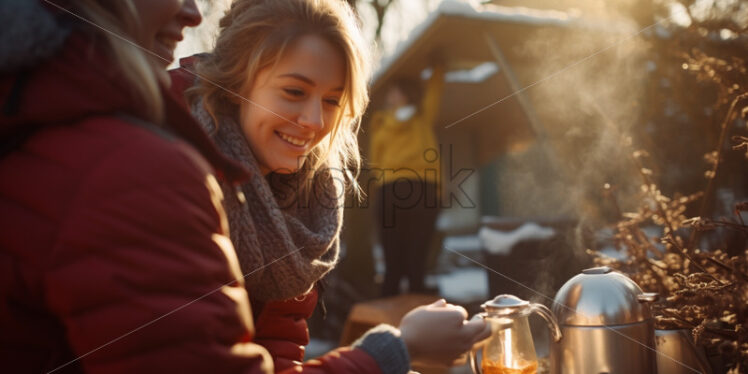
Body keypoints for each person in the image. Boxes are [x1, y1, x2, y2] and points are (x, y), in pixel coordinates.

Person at [170, 0, 490, 372]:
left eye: (333, 100)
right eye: (293, 91)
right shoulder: (176, 174)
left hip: (422, 187)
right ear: (234, 83)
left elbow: (278, 358)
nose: (314, 121)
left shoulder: (301, 210)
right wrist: (398, 349)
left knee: (415, 260)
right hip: (395, 188)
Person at [369, 61, 446, 296]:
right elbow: (375, 162)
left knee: (407, 260)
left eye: (394, 91)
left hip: (404, 190)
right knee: (406, 261)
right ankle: (396, 318)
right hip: (412, 191)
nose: (390, 96)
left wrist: (437, 67)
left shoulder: (416, 120)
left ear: (405, 94)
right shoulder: (384, 123)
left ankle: (409, 316)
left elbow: (376, 163)